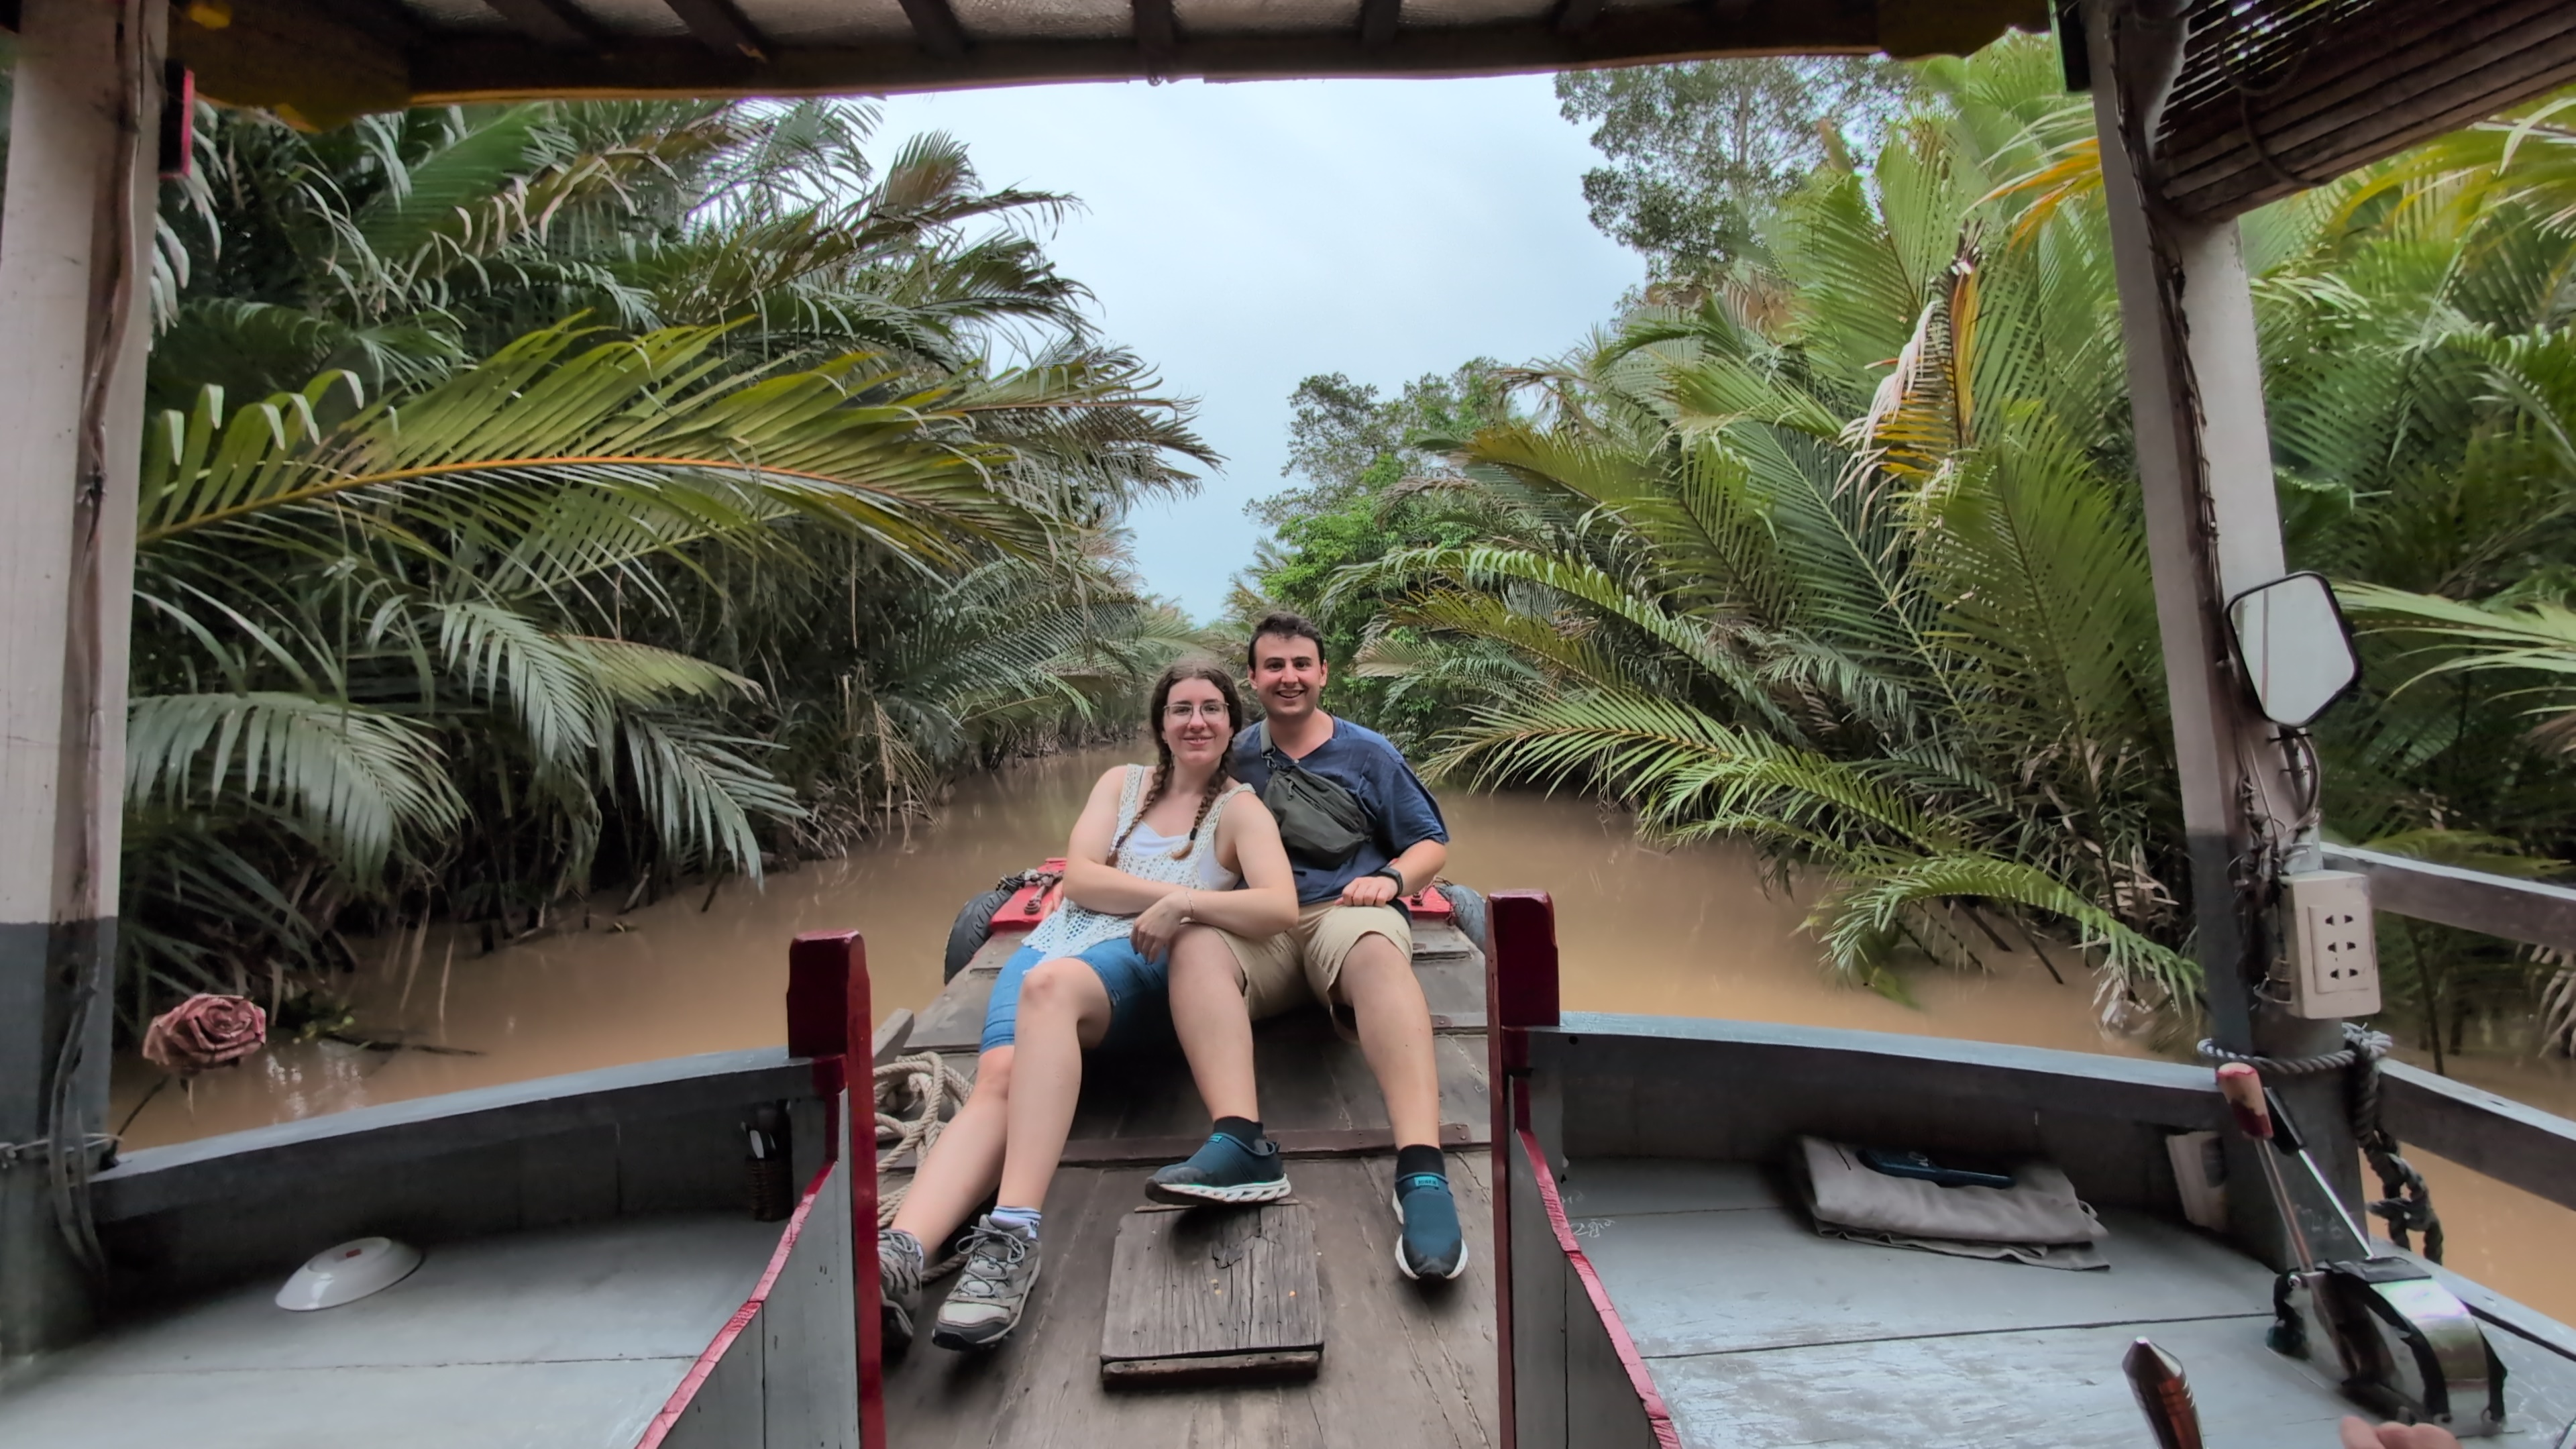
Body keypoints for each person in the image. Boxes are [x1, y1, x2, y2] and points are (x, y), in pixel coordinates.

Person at [874, 661, 1297, 1352]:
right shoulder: (1119, 785)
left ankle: (1012, 1236)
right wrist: (1157, 892)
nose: (1197, 721)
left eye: (1213, 709)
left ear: (1232, 725)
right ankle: (903, 1254)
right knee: (1000, 1082)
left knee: (1049, 989)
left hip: (1134, 966)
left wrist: (1183, 901)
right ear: (1161, 723)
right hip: (1051, 946)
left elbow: (1277, 906)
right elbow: (1078, 879)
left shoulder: (1239, 809)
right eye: (1182, 708)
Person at [1145, 611, 1467, 1281]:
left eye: (1301, 665)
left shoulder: (1369, 753)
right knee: (1196, 945)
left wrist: (1390, 879)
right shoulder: (1232, 756)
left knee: (1378, 953)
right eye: (1274, 667)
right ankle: (1238, 1141)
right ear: (1255, 679)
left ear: (1323, 672)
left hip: (1340, 911)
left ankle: (1423, 1173)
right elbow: (1168, 819)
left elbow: (1430, 842)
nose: (1288, 678)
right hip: (1258, 923)